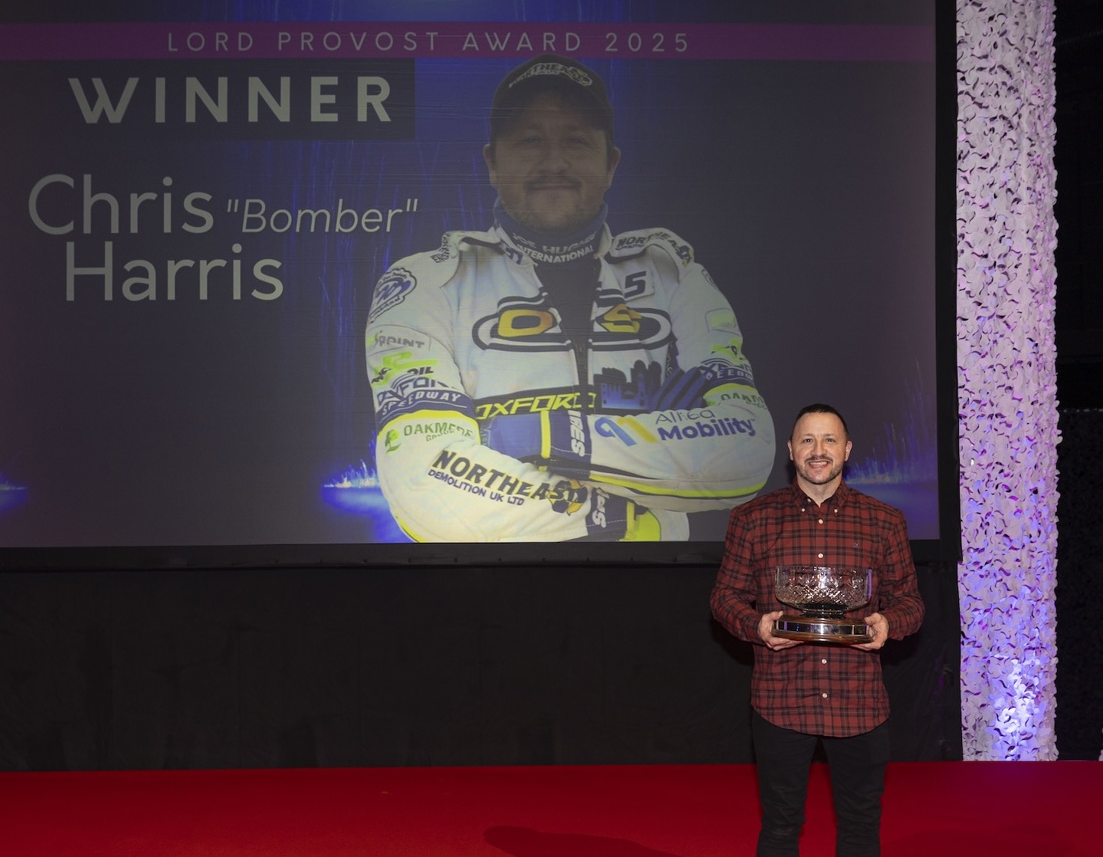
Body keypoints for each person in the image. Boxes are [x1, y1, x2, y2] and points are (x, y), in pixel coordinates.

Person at [364, 54, 774, 541]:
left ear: (610, 164)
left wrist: (541, 438)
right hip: (491, 598)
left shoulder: (671, 272)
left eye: (576, 140)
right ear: (493, 162)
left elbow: (747, 450)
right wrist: (632, 504)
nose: (554, 162)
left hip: (649, 599)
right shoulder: (426, 283)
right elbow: (424, 481)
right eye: (530, 140)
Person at [710, 403, 923, 857]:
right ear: (791, 450)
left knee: (861, 828)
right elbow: (723, 598)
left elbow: (911, 603)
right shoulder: (753, 519)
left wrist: (889, 623)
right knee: (781, 827)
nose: (818, 450)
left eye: (828, 440)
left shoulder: (885, 521)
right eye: (807, 440)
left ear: (846, 449)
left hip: (858, 702)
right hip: (782, 700)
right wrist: (758, 625)